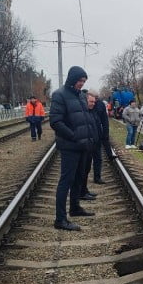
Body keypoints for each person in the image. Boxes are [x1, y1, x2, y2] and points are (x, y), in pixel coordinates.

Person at [49, 66, 96, 231]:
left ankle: (75, 208)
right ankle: (60, 219)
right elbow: (55, 121)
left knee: (79, 179)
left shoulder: (82, 96)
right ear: (72, 79)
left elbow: (86, 118)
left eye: (83, 81)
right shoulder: (59, 95)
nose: (81, 84)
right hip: (70, 146)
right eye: (79, 80)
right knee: (66, 181)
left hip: (83, 146)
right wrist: (73, 135)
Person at [79, 91, 101, 200]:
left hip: (91, 145)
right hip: (85, 146)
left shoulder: (91, 112)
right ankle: (81, 192)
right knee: (82, 170)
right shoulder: (83, 113)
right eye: (91, 101)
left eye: (94, 102)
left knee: (87, 169)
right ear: (85, 100)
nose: (93, 103)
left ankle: (84, 190)